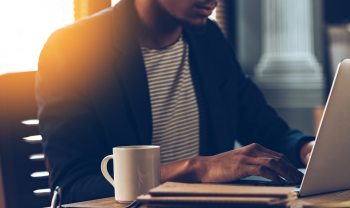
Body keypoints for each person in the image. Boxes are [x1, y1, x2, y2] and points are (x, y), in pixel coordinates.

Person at [35, 0, 315, 204]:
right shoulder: (72, 48)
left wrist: (308, 149)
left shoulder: (211, 40)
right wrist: (198, 168)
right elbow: (72, 186)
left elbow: (266, 130)